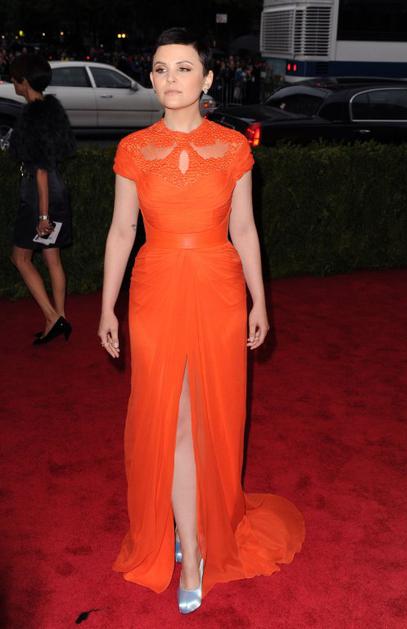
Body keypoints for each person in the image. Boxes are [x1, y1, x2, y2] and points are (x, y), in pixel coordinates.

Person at [98, 27, 305, 614]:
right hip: (156, 286)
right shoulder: (133, 149)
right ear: (151, 77)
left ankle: (197, 535)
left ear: (208, 79)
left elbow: (244, 229)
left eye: (184, 68)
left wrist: (260, 300)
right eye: (161, 68)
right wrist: (107, 304)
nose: (171, 78)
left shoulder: (234, 148)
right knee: (169, 416)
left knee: (210, 415)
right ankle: (189, 543)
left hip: (218, 286)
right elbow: (121, 231)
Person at [9, 54, 75, 344]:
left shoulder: (32, 117)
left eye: (14, 79)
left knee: (20, 257)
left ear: (23, 82)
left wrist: (43, 216)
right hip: (57, 189)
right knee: (52, 258)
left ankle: (52, 317)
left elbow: (40, 171)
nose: (12, 83)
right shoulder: (52, 110)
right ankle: (60, 319)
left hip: (40, 195)